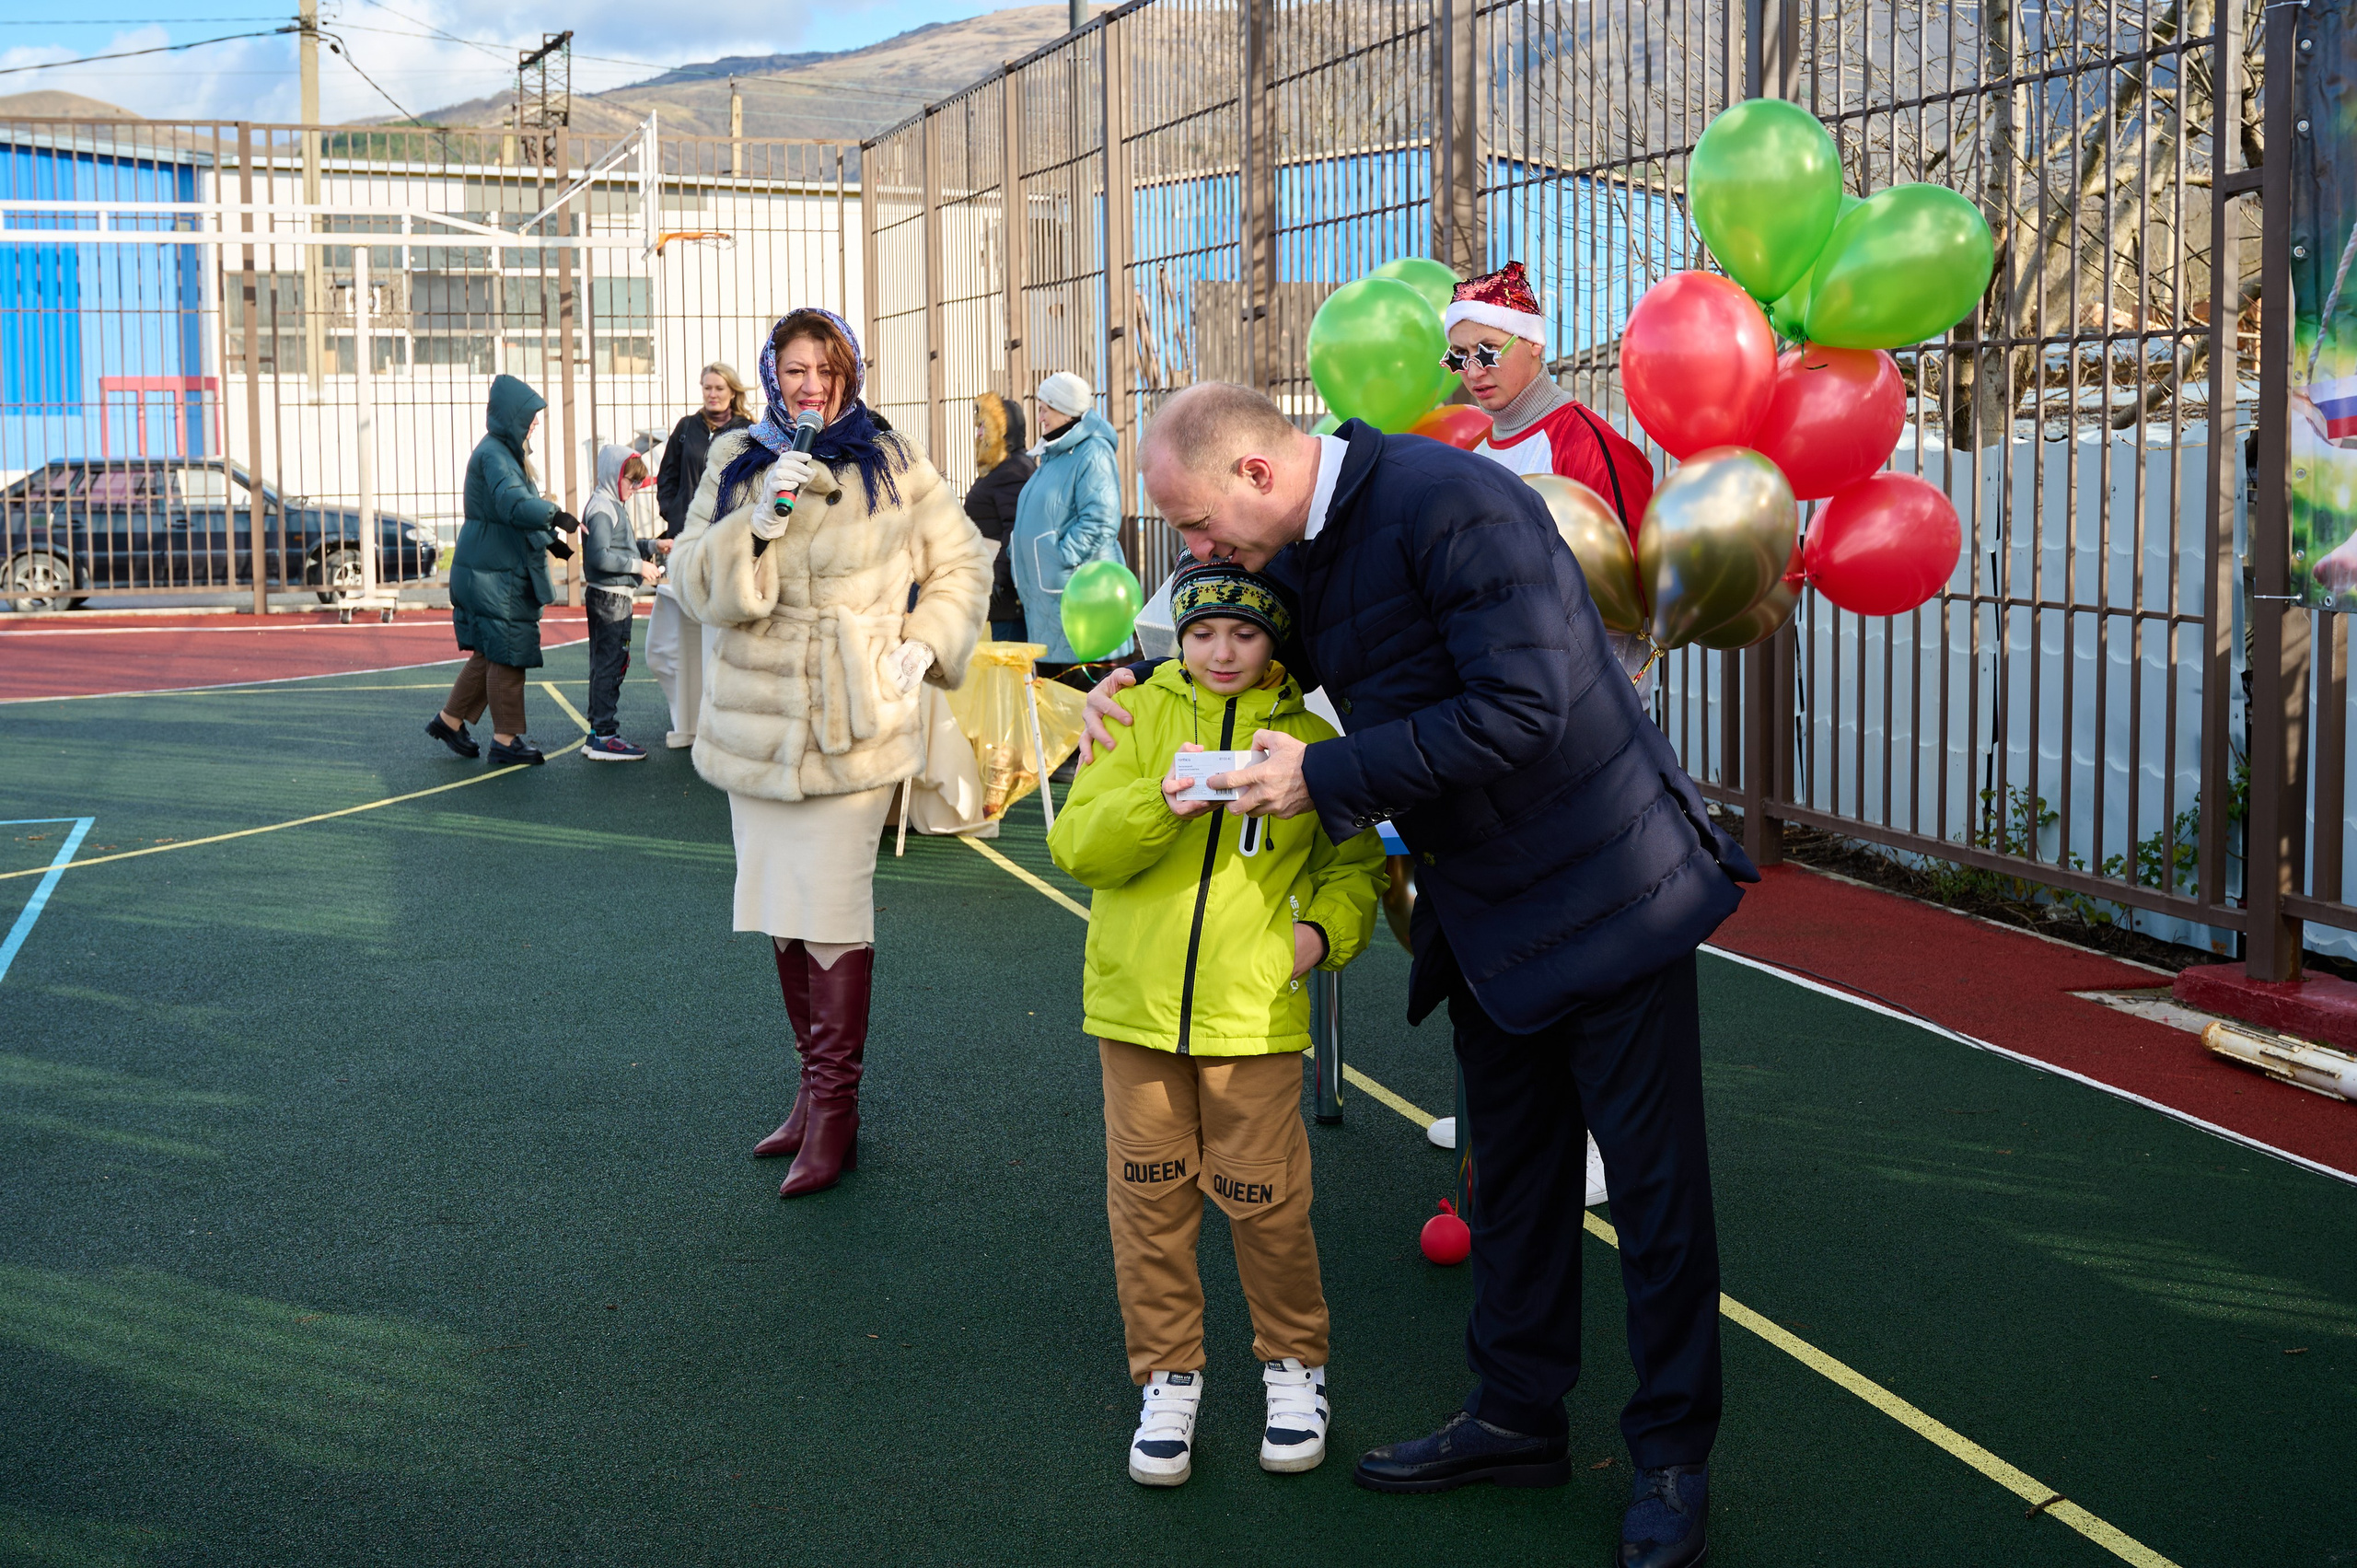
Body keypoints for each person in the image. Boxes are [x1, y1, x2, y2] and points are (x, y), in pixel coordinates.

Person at [1077, 382, 1756, 1568]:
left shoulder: (1452, 506)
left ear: (1253, 474)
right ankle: (1514, 1414)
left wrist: (1329, 778)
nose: (1192, 558)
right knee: (1517, 1171)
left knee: (1653, 1196)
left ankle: (1671, 1454)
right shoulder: (1301, 536)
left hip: (1607, 896)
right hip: (1486, 906)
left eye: (1191, 528)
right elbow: (1213, 640)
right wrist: (1118, 684)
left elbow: (1524, 705)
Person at [1047, 557, 1381, 1488]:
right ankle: (1168, 1378)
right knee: (1150, 1206)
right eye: (1202, 633)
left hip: (1254, 1019)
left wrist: (1313, 940)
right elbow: (1077, 845)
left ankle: (1293, 1368)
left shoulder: (1313, 738)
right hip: (1136, 1011)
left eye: (1244, 632)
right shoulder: (1135, 712)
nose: (1222, 651)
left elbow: (1352, 869)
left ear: (1275, 641)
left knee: (1266, 1203)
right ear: (1178, 637)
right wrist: (1161, 802)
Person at [668, 307, 990, 1198]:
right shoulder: (737, 457)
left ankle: (837, 1113)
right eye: (795, 368)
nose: (811, 385)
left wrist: (925, 641)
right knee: (782, 908)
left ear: (850, 370)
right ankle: (812, 1096)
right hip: (756, 722)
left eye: (827, 367)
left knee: (835, 909)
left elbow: (961, 562)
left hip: (855, 718)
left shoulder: (892, 459)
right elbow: (689, 575)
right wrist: (754, 525)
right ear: (773, 374)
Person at [1444, 261, 1662, 699]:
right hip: (1497, 700)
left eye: (1487, 349)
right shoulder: (1471, 455)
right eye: (1458, 356)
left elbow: (1636, 590)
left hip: (1588, 706)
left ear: (1534, 342)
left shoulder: (1589, 444)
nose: (1473, 370)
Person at [427, 374, 578, 767]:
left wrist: (550, 540)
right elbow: (513, 505)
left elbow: (509, 513)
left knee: (491, 652)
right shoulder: (496, 456)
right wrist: (556, 515)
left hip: (488, 568)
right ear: (512, 417)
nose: (536, 423)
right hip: (496, 575)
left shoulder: (500, 452)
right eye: (531, 416)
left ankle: (449, 720)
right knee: (510, 651)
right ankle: (506, 739)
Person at [649, 364, 754, 749]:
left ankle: (728, 715)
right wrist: (675, 515)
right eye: (706, 387)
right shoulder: (686, 429)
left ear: (731, 391)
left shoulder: (746, 430)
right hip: (687, 540)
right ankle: (690, 718)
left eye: (718, 387)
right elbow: (667, 478)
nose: (712, 394)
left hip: (725, 542)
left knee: (722, 627)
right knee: (684, 630)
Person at [1010, 371, 1127, 673]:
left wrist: (1058, 556)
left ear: (1064, 408)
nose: (1040, 418)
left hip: (1078, 605)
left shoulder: (1092, 451)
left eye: (1044, 409)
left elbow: (1101, 519)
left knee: (1080, 709)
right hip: (1051, 606)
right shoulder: (1056, 453)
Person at [578, 443, 664, 761]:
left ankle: (598, 732)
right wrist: (638, 566)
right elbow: (599, 556)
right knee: (610, 665)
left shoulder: (610, 503)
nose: (636, 487)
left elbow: (620, 546)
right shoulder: (603, 507)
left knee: (608, 664)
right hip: (610, 598)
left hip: (612, 596)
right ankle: (604, 734)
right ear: (614, 475)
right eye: (631, 480)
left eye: (639, 482)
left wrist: (652, 545)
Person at [964, 390, 1035, 642]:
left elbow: (1015, 529)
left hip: (1005, 598)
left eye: (985, 426)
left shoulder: (1014, 469)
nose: (979, 433)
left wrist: (997, 576)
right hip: (996, 595)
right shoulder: (1001, 469)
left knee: (1008, 671)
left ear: (1003, 430)